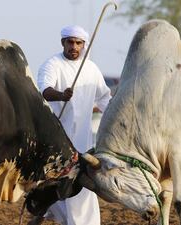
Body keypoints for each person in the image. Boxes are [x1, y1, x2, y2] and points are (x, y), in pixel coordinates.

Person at [34, 25, 111, 225]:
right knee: (56, 183)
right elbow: (44, 90)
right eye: (70, 42)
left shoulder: (91, 68)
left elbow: (104, 99)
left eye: (78, 43)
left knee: (81, 188)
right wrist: (61, 95)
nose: (74, 46)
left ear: (84, 45)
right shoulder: (52, 64)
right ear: (63, 43)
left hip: (84, 140)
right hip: (58, 138)